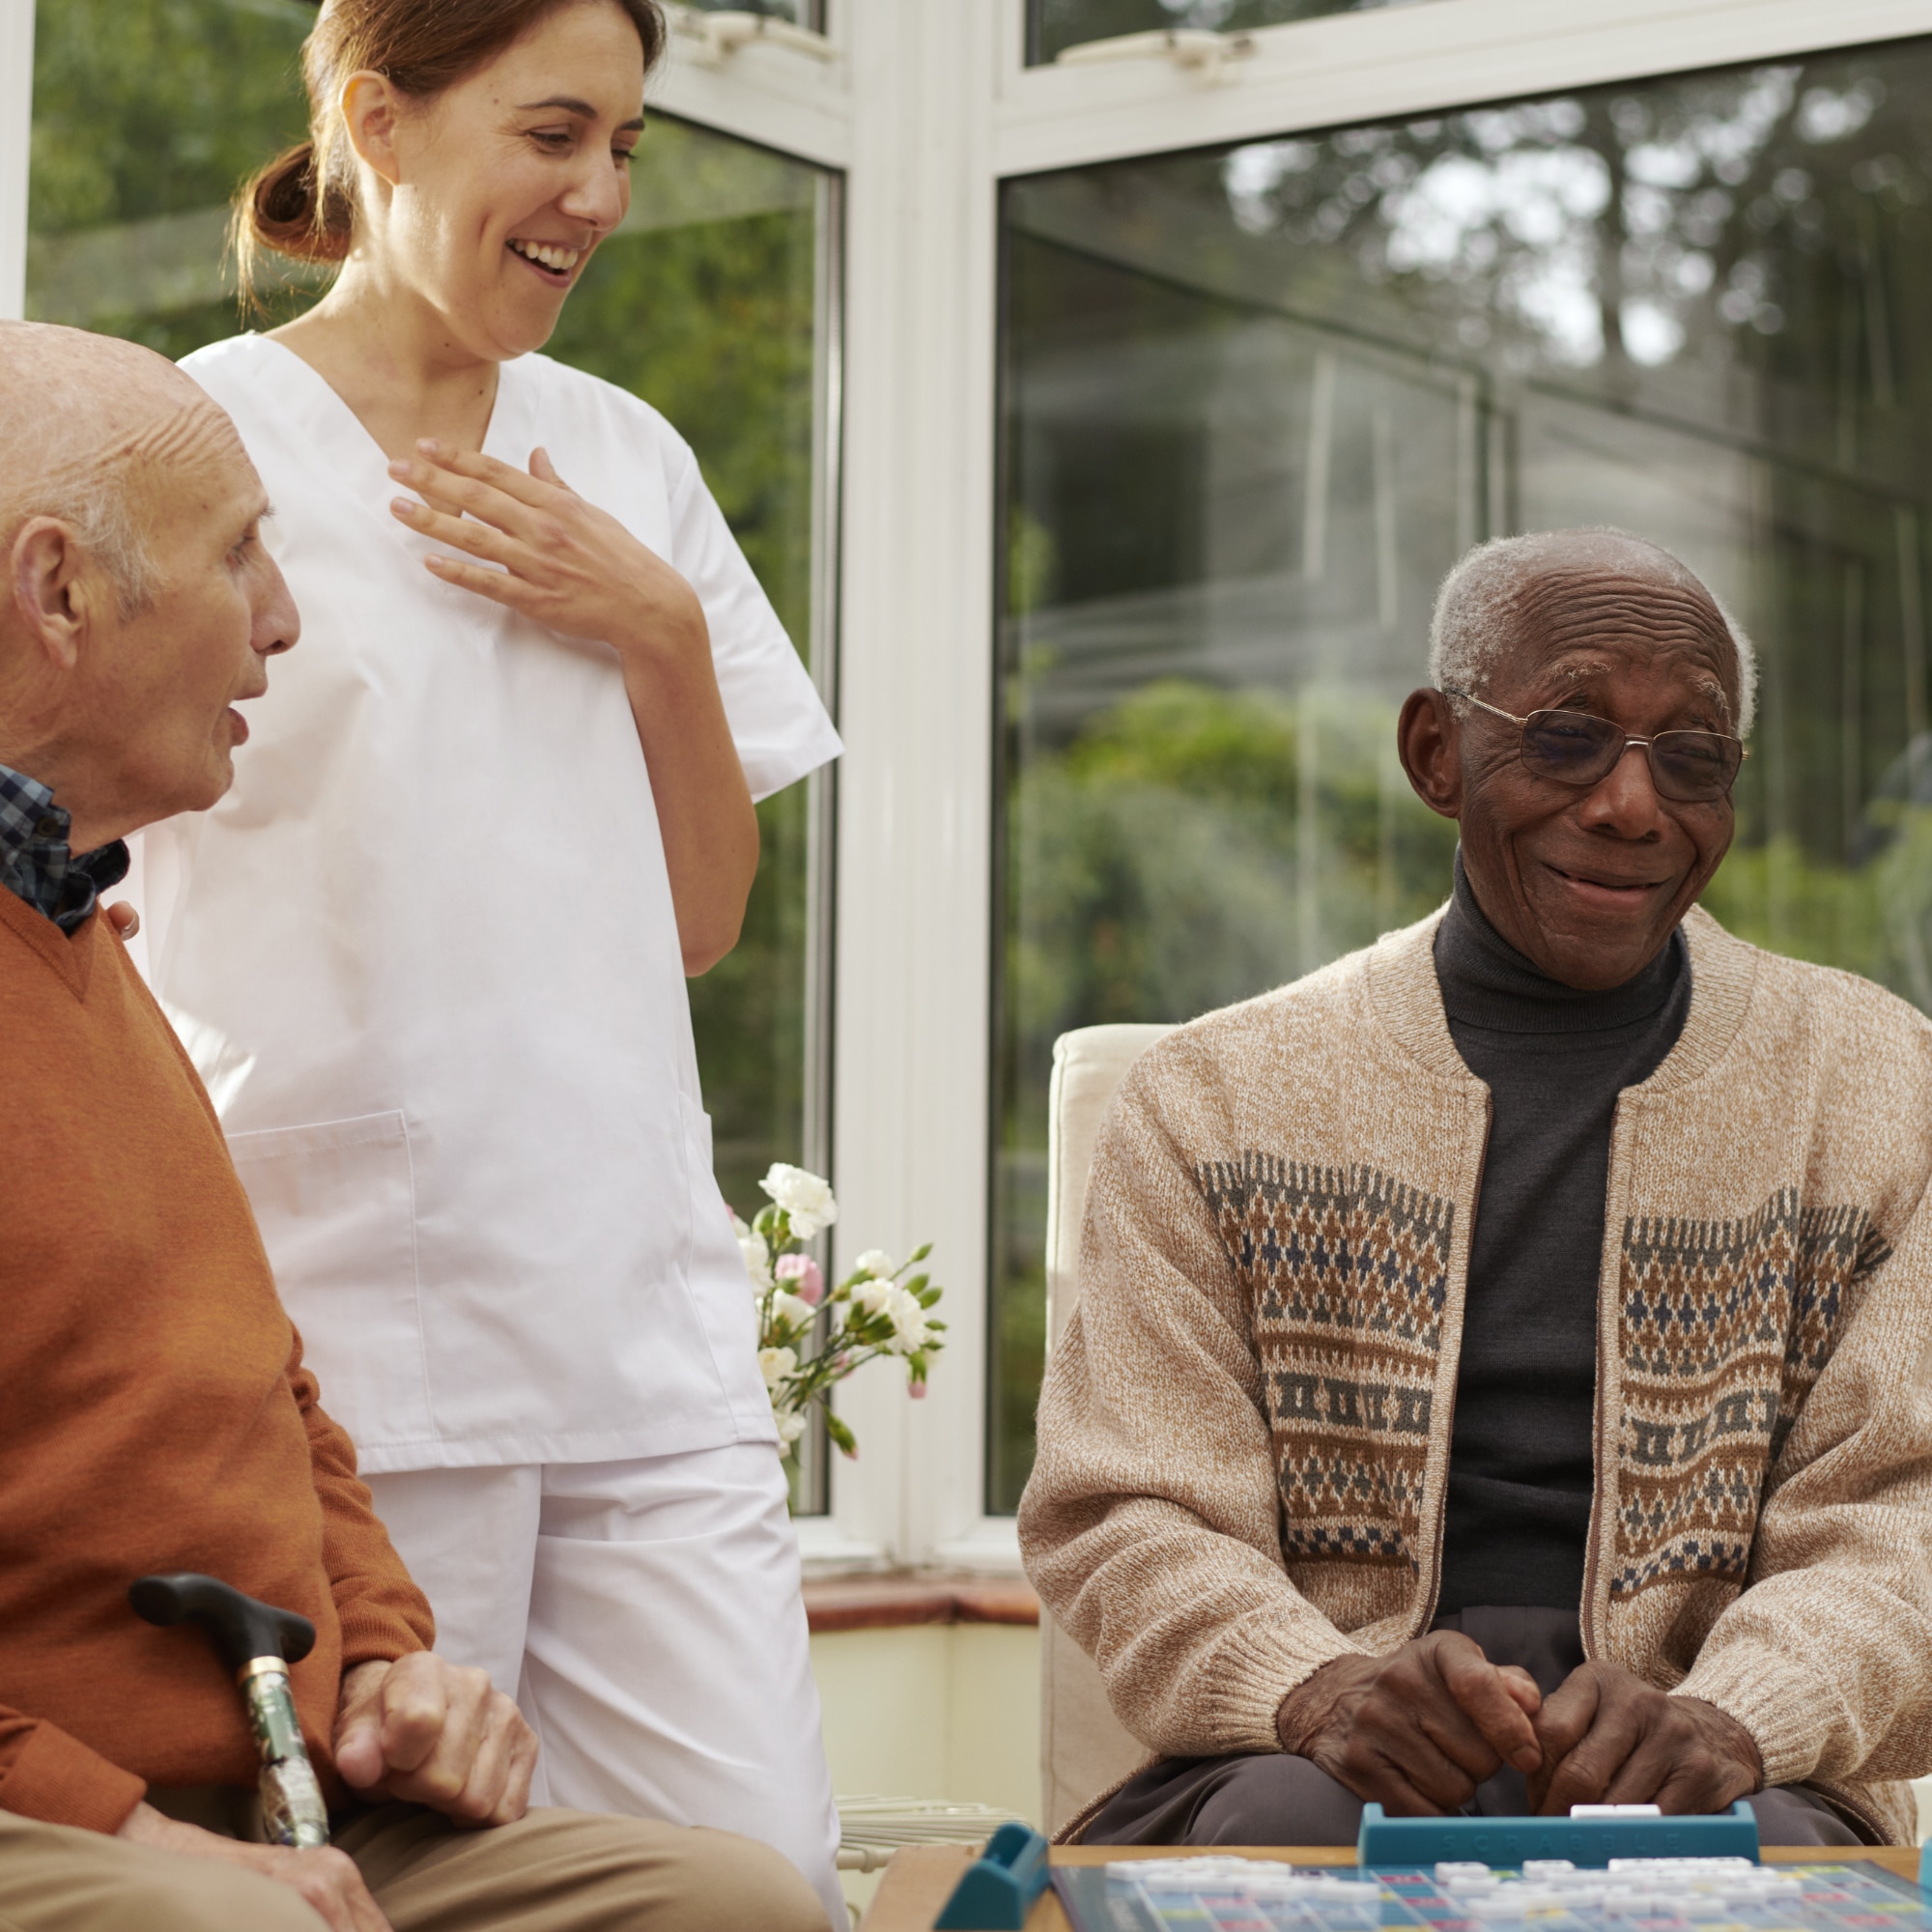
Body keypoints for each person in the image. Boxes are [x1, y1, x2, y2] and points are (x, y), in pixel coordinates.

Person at [134, 0, 844, 1917]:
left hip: (632, 1314)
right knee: (405, 1871)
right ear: (380, 118)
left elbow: (700, 917)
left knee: (763, 1870)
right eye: (554, 134)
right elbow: (82, 877)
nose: (599, 194)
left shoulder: (627, 456)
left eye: (626, 146)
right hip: (346, 1326)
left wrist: (660, 636)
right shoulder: (193, 443)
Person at [0, 319, 829, 1932]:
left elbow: (270, 1389)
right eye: (239, 559)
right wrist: (124, 1829)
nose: (284, 617)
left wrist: (383, 1660)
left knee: (749, 1903)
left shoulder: (88, 951)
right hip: (72, 1804)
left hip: (274, 1767)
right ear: (59, 593)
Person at [1018, 528, 1932, 1850]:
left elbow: (1907, 1506)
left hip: (1729, 1756)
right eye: (1566, 734)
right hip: (1318, 1750)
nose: (1631, 804)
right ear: (1437, 754)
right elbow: (1130, 1505)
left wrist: (1744, 1710)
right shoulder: (1216, 1099)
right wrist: (1313, 1685)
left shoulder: (1882, 1087)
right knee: (1292, 1844)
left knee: (1759, 1869)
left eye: (1693, 756)